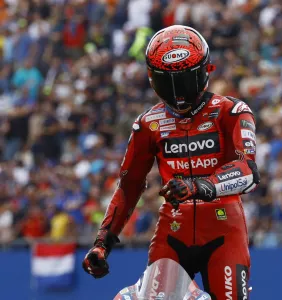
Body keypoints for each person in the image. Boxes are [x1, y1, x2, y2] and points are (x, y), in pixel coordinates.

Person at [82, 25, 260, 299]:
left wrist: (197, 186)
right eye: (169, 82)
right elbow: (128, 187)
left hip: (225, 232)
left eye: (185, 81)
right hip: (173, 232)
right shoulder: (148, 124)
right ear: (153, 79)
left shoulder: (233, 112)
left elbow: (248, 172)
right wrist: (102, 243)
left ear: (204, 71)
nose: (178, 93)